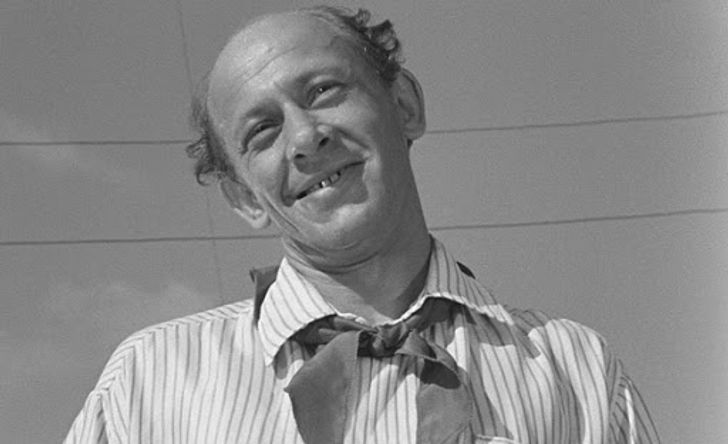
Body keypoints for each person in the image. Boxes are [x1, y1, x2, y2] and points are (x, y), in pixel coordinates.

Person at [65, 6, 660, 443]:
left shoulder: (579, 373)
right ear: (244, 197)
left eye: (324, 90)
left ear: (404, 106)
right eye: (262, 131)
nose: (306, 136)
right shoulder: (148, 384)